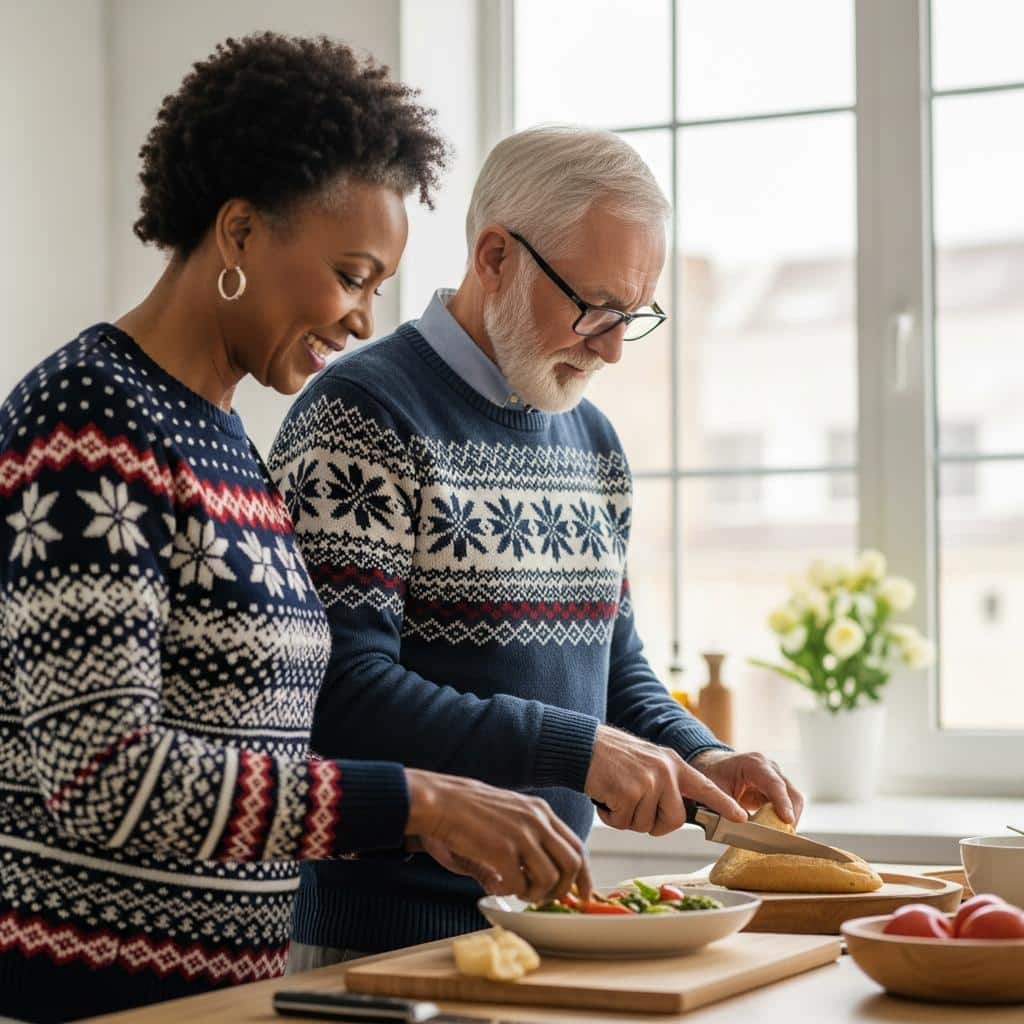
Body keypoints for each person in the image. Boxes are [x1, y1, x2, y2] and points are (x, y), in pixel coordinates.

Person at [0, 40, 588, 1024]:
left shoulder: (224, 439)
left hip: (224, 997)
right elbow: (106, 777)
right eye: (351, 274)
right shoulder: (85, 428)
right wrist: (416, 801)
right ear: (236, 232)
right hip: (84, 1002)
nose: (362, 319)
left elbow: (250, 758)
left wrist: (412, 828)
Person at [269, 125, 805, 968]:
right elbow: (338, 692)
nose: (614, 345)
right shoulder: (361, 418)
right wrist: (579, 749)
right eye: (594, 306)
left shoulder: (591, 439)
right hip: (375, 944)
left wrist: (700, 753)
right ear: (494, 258)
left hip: (552, 926)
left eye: (634, 314)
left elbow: (612, 670)